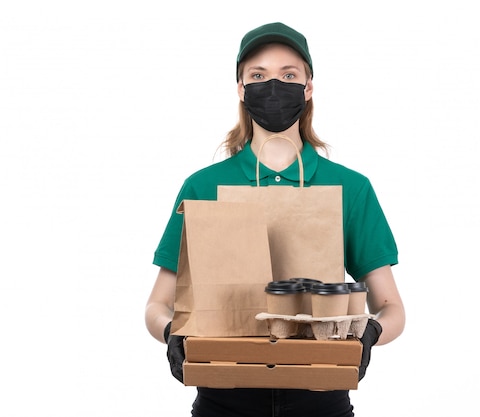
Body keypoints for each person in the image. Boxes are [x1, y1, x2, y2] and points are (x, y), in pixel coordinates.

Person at [145, 22, 405, 417]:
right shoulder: (204, 186)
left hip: (320, 396)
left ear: (308, 87)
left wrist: (370, 332)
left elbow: (392, 309)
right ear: (241, 89)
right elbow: (157, 305)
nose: (273, 85)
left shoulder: (350, 187)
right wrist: (172, 333)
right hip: (224, 394)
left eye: (288, 75)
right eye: (258, 75)